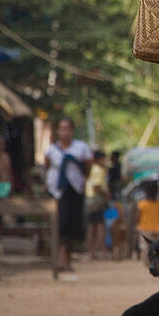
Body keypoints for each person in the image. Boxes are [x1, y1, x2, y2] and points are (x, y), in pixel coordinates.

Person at [43, 118, 93, 275]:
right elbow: (47, 166)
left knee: (73, 225)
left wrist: (84, 179)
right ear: (57, 131)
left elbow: (88, 165)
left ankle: (67, 259)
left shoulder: (81, 147)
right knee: (60, 223)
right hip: (58, 191)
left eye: (68, 128)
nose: (65, 132)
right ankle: (59, 258)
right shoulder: (52, 150)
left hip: (76, 189)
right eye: (61, 128)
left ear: (72, 130)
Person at [85, 150, 110, 256]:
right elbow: (97, 186)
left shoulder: (92, 169)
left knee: (92, 225)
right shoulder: (98, 170)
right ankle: (102, 250)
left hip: (90, 199)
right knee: (99, 225)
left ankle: (91, 250)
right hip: (96, 200)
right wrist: (107, 194)